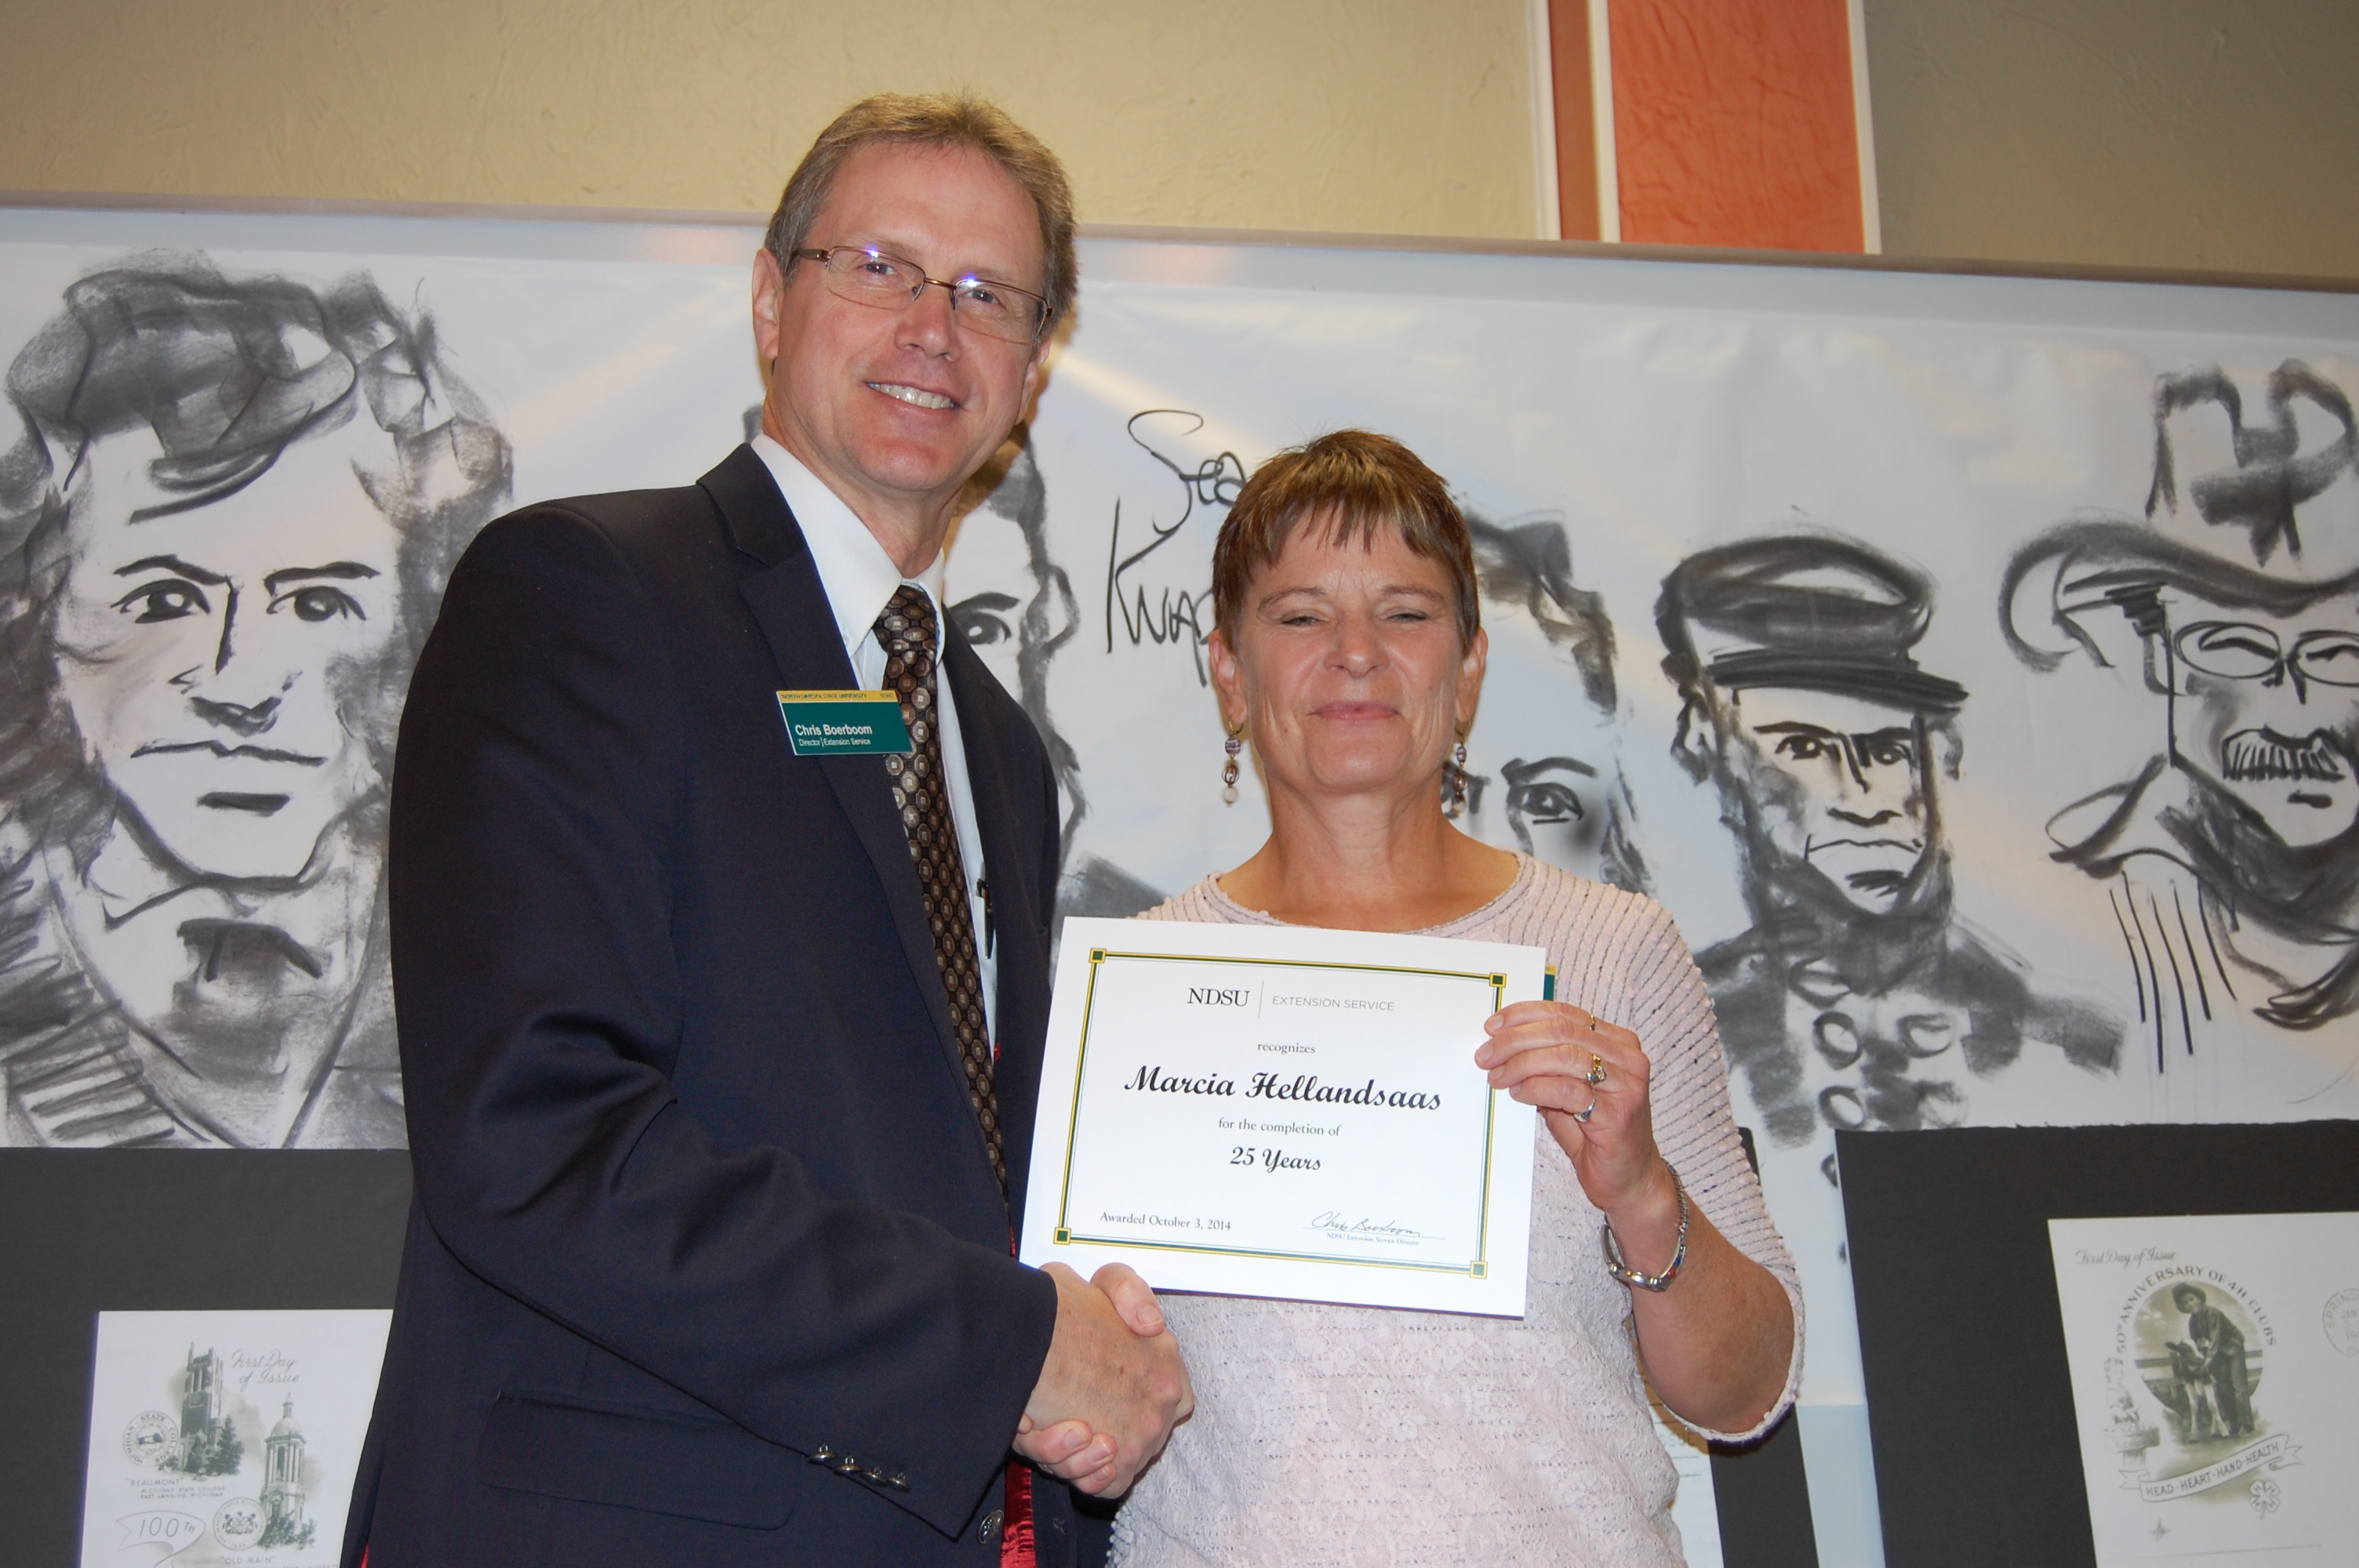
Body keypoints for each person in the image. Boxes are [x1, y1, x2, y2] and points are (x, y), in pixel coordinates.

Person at [346, 95, 1189, 1568]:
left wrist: (1087, 1344)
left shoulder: (992, 743)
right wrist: (1006, 1347)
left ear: (1032, 370)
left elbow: (959, 1170)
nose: (932, 327)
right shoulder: (585, 593)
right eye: (878, 266)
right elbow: (536, 1139)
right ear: (766, 301)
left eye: (987, 294)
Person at [1110, 430, 1801, 1566]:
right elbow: (1089, 1385)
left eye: (1405, 612)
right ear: (1229, 672)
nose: (1355, 654)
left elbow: (1745, 1393)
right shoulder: (1140, 986)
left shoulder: (1612, 951)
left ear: (1469, 668)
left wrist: (1640, 1190)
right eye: (1299, 616)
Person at [0, 259, 510, 1148]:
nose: (241, 683)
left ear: (417, 629)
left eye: (315, 603)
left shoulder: (513, 931)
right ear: (42, 633)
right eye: (164, 600)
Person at [1659, 533, 2120, 1152]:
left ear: (1937, 755)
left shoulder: (2065, 1038)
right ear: (1712, 746)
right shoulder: (1678, 1036)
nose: (1864, 798)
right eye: (1805, 748)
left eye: (1886, 751)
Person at [2005, 361, 2359, 1069]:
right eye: (2234, 648)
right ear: (2159, 657)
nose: (2294, 714)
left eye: (2336, 655)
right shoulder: (2097, 906)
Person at [2172, 1284, 2255, 1438]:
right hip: (2217, 1353)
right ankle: (2234, 1424)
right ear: (2182, 1307)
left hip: (2233, 1347)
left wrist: (2207, 1361)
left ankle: (2246, 1425)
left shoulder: (2213, 1313)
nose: (2190, 1304)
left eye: (2192, 1299)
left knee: (2238, 1386)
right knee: (2223, 1387)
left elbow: (2214, 1340)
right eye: (2185, 1303)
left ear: (2199, 1298)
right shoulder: (2193, 1322)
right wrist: (2200, 1351)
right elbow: (2198, 1343)